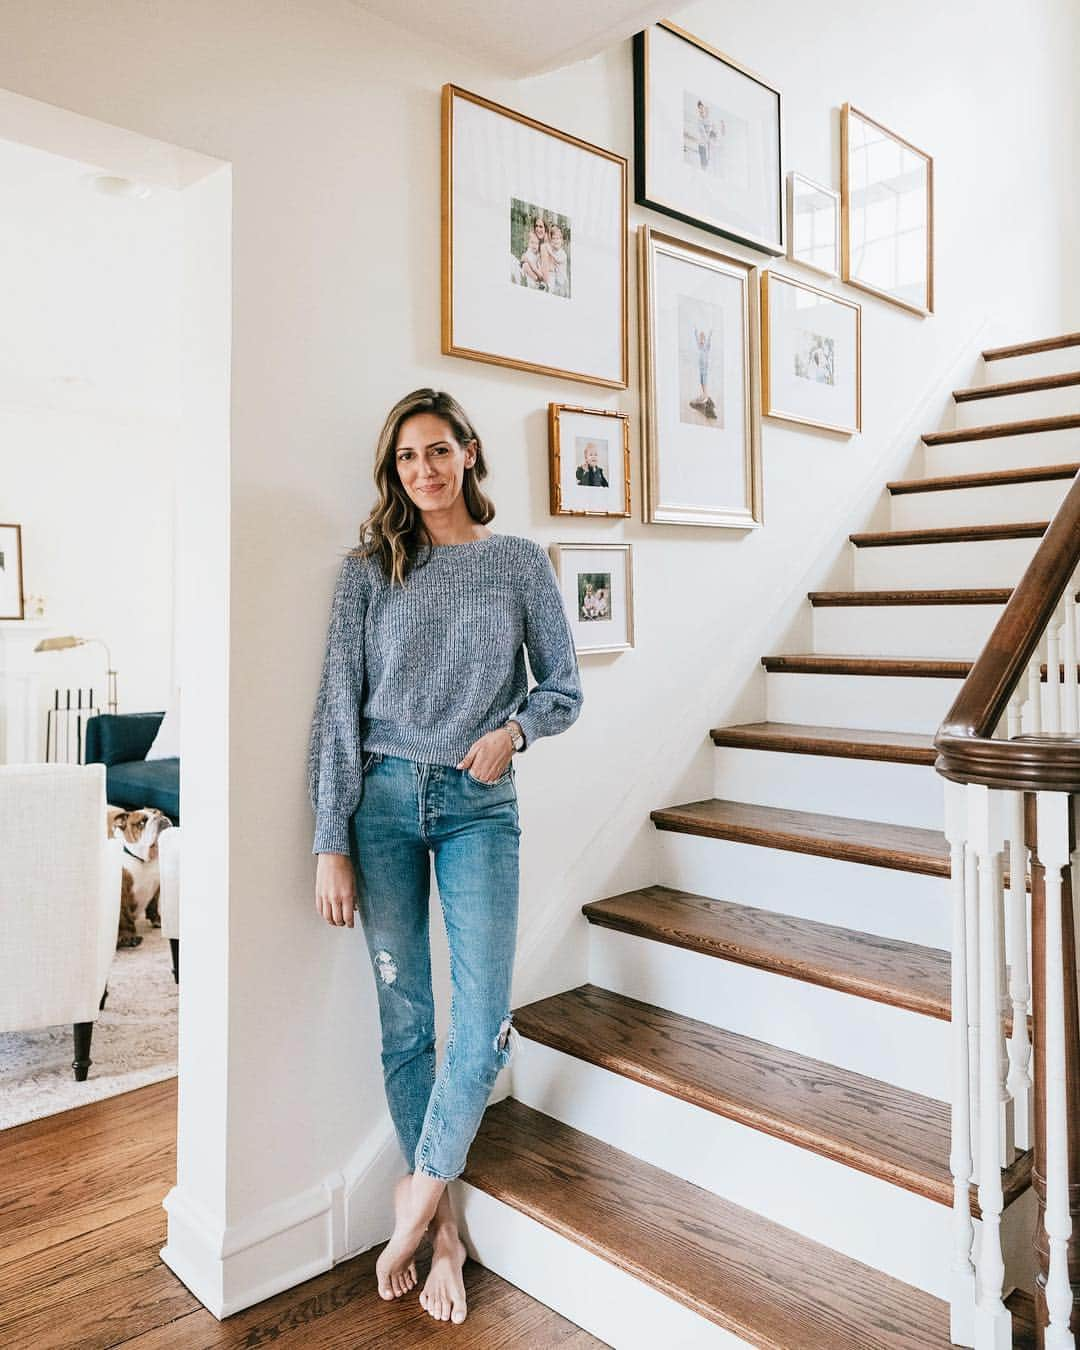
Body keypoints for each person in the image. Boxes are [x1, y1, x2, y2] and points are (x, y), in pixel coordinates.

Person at [308, 388, 583, 1326]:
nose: (421, 471)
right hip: (381, 806)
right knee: (405, 1019)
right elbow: (337, 716)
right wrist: (327, 842)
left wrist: (513, 730)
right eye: (404, 459)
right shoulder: (367, 572)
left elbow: (564, 688)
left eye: (436, 451)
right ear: (393, 472)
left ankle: (416, 1194)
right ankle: (448, 1233)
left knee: (480, 1022)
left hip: (477, 806)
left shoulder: (515, 564)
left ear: (468, 453)